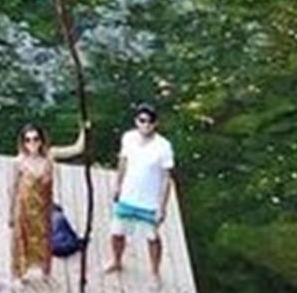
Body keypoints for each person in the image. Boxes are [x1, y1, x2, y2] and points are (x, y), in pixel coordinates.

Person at [10, 118, 89, 283]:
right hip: (24, 207)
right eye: (28, 140)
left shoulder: (50, 155)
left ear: (41, 140)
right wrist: (11, 213)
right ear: (23, 142)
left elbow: (77, 149)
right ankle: (21, 275)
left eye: (35, 139)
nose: (32, 143)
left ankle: (44, 273)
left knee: (44, 239)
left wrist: (84, 129)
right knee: (22, 240)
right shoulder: (18, 161)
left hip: (44, 207)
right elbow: (13, 188)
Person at [105, 103, 174, 283]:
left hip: (149, 201)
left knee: (152, 237)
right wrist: (117, 185)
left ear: (155, 124)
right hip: (128, 196)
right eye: (142, 120)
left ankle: (154, 272)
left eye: (150, 122)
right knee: (117, 232)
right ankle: (117, 261)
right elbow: (123, 161)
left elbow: (166, 178)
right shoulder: (128, 138)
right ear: (136, 121)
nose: (146, 125)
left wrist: (162, 206)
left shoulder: (163, 146)